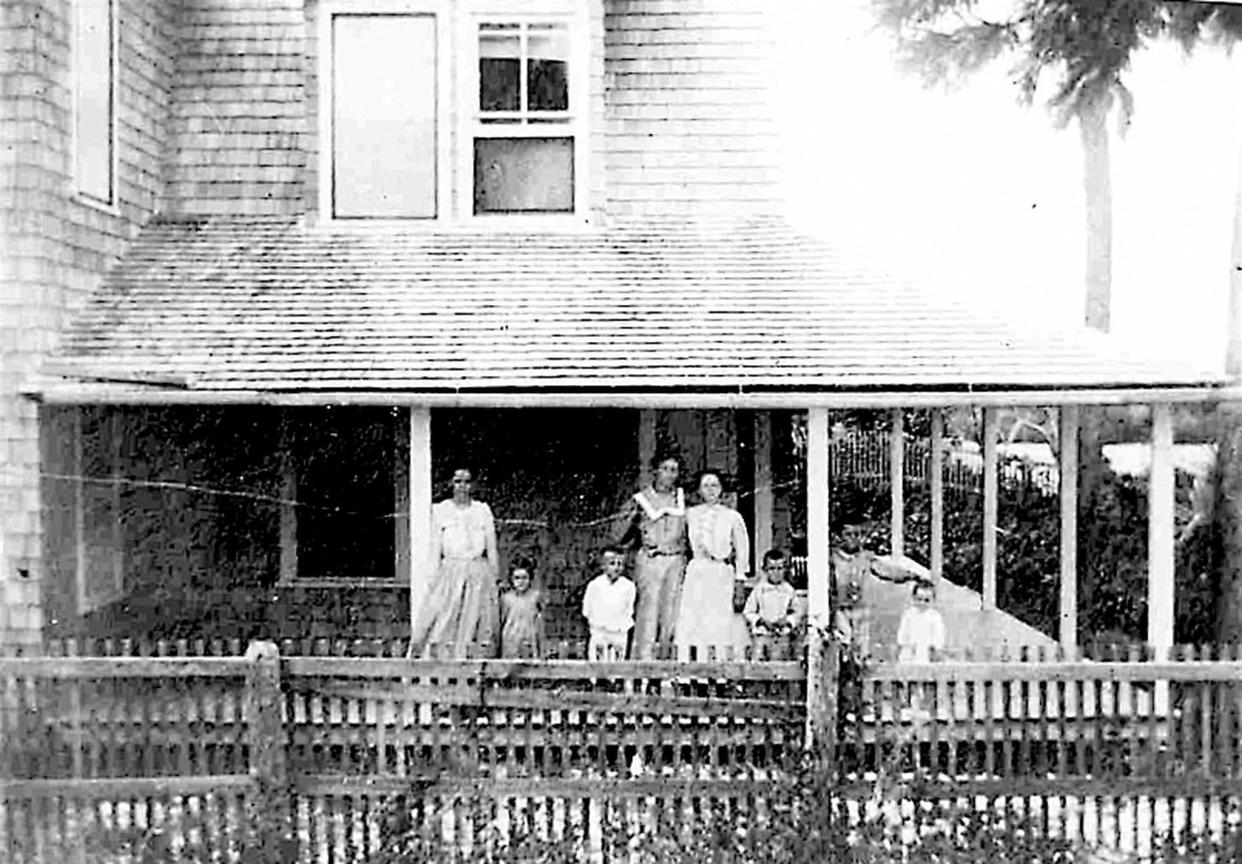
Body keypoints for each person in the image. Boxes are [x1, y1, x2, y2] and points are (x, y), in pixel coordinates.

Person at [408, 468, 501, 658]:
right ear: (451, 484)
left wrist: (494, 575)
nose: (462, 487)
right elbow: (435, 547)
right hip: (450, 570)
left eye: (467, 482)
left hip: (477, 571)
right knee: (442, 618)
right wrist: (434, 578)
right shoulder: (441, 510)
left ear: (473, 485)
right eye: (458, 481)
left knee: (476, 621)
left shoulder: (482, 510)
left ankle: (473, 668)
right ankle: (435, 666)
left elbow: (491, 546)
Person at [616, 454, 688, 660]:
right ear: (655, 471)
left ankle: (667, 671)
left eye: (674, 470)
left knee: (671, 615)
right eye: (665, 469)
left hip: (675, 560)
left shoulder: (682, 498)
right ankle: (643, 668)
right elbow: (619, 535)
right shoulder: (640, 499)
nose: (669, 474)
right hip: (650, 560)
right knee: (648, 614)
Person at [675, 470, 749, 660]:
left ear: (722, 489)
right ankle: (692, 674)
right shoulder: (690, 514)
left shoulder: (732, 516)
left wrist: (740, 581)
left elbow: (742, 551)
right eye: (706, 486)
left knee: (719, 621)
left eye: (715, 485)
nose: (710, 490)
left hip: (721, 572)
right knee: (695, 620)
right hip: (697, 571)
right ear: (699, 490)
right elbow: (680, 543)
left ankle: (720, 675)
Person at [832, 517, 912, 657]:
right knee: (844, 643)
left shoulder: (866, 557)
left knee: (862, 647)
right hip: (841, 610)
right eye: (849, 534)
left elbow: (886, 571)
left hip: (861, 610)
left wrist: (910, 575)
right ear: (840, 536)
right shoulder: (833, 558)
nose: (854, 538)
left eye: (857, 534)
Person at [742, 549, 802, 660]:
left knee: (780, 663)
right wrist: (760, 621)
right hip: (762, 634)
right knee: (759, 662)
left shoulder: (788, 590)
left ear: (785, 570)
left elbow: (797, 612)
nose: (776, 572)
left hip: (782, 634)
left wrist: (788, 621)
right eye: (772, 569)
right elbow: (748, 611)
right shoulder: (759, 589)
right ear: (765, 570)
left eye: (779, 569)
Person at [582, 545, 637, 660]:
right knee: (597, 657)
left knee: (617, 658)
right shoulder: (595, 585)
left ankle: (615, 677)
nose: (616, 568)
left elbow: (629, 608)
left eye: (620, 564)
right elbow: (587, 608)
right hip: (599, 629)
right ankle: (596, 677)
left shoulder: (628, 586)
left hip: (619, 630)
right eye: (612, 564)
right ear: (603, 566)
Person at [499, 557, 544, 659]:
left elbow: (539, 623)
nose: (521, 582)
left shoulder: (535, 597)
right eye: (517, 578)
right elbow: (502, 621)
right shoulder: (506, 598)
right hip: (511, 641)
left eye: (524, 578)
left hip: (529, 641)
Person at [895, 578, 947, 664]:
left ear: (933, 601)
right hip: (910, 652)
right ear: (913, 598)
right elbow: (902, 635)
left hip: (927, 653)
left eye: (926, 600)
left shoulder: (935, 617)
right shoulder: (908, 615)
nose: (922, 603)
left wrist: (934, 648)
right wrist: (906, 646)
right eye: (919, 599)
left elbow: (938, 636)